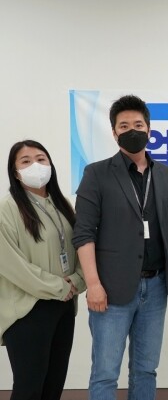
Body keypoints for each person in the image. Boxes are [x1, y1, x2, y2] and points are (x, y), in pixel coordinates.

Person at [72, 95, 168, 400]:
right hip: (111, 290)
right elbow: (83, 234)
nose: (132, 130)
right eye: (124, 126)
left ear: (149, 129)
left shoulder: (167, 175)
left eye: (138, 124)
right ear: (114, 133)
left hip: (156, 287)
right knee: (105, 373)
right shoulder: (96, 173)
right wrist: (93, 284)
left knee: (146, 370)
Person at [0, 140, 86, 400]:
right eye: (25, 161)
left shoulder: (62, 205)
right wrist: (58, 286)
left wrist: (77, 281)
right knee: (28, 388)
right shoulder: (8, 209)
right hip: (28, 309)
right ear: (16, 172)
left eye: (41, 159)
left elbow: (81, 249)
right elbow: (11, 265)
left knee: (53, 387)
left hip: (64, 305)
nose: (35, 166)